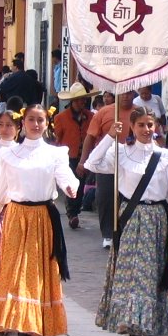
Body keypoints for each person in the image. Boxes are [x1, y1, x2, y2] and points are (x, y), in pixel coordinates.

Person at [85, 107, 168, 336]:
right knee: (130, 275)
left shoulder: (166, 157)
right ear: (132, 127)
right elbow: (92, 163)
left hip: (156, 221)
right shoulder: (122, 154)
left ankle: (140, 332)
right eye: (141, 125)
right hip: (129, 219)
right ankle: (134, 333)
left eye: (150, 124)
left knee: (148, 276)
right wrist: (111, 137)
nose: (147, 129)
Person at [0, 105, 78, 336]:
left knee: (39, 276)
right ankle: (24, 334)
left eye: (40, 120)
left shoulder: (54, 154)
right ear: (22, 122)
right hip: (17, 217)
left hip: (43, 219)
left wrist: (70, 187)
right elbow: (1, 191)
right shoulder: (11, 154)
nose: (36, 124)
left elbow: (65, 175)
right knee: (18, 275)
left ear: (47, 123)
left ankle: (35, 332)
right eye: (31, 120)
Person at [78, 91, 134, 249]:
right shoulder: (104, 112)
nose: (126, 97)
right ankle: (108, 234)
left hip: (129, 163)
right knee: (105, 198)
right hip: (106, 162)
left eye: (129, 94)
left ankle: (125, 231)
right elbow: (90, 137)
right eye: (122, 94)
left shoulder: (138, 112)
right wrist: (83, 161)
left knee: (127, 198)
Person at [54, 82, 96, 229]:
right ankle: (72, 214)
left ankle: (75, 211)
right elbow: (57, 139)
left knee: (81, 185)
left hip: (84, 156)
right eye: (79, 99)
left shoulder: (90, 116)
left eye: (83, 99)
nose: (82, 102)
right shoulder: (61, 118)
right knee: (71, 185)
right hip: (68, 156)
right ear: (72, 101)